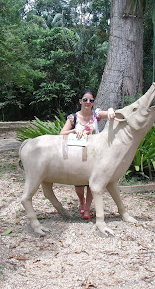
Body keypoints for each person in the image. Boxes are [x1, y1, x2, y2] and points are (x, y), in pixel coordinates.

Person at [60, 90, 115, 219]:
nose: (88, 102)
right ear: (80, 101)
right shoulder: (72, 117)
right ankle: (81, 201)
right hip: (77, 155)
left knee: (92, 183)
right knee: (79, 185)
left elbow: (108, 114)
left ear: (93, 102)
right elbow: (62, 134)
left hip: (94, 155)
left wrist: (111, 110)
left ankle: (87, 209)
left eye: (91, 100)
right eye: (85, 100)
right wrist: (74, 130)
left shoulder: (96, 115)